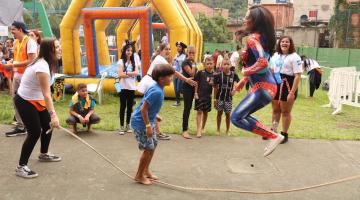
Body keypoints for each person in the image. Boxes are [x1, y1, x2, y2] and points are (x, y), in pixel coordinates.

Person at [231, 5, 284, 157]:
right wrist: (242, 82)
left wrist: (245, 71)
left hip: (262, 88)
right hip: (267, 86)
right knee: (243, 115)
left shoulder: (253, 39)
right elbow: (261, 64)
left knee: (236, 118)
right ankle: (272, 134)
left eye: (247, 17)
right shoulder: (262, 38)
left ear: (255, 21)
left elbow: (262, 63)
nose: (244, 20)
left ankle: (274, 136)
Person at [12, 38, 61, 178]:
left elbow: (45, 93)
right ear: (49, 50)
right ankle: (21, 167)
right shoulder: (42, 66)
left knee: (47, 126)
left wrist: (51, 116)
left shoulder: (49, 63)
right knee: (34, 132)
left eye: (59, 46)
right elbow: (47, 94)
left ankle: (44, 154)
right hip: (25, 101)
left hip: (37, 100)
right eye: (56, 47)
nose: (60, 48)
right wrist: (53, 114)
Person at [137, 43, 196, 140]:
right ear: (160, 50)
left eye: (169, 49)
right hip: (150, 82)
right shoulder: (160, 59)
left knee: (150, 107)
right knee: (150, 107)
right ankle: (154, 131)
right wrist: (186, 79)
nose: (168, 51)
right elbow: (173, 71)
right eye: (166, 49)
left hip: (152, 82)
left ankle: (155, 131)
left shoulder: (160, 59)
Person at [131, 63, 175, 185]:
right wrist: (148, 126)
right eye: (169, 76)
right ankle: (139, 175)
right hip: (141, 123)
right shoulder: (157, 91)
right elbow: (143, 109)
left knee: (153, 145)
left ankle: (146, 170)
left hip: (147, 121)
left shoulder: (158, 88)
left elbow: (146, 105)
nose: (171, 78)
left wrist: (155, 115)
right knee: (148, 149)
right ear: (161, 78)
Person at [3, 21, 38, 137]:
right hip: (17, 74)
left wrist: (13, 65)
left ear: (20, 29)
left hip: (27, 75)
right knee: (16, 100)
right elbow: (17, 58)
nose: (11, 31)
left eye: (13, 29)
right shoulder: (16, 42)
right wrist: (11, 62)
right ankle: (20, 125)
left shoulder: (30, 42)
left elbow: (32, 60)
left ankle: (31, 125)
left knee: (26, 101)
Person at [269, 36, 303, 144]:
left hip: (288, 84)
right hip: (276, 83)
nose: (284, 43)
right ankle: (273, 132)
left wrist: (292, 92)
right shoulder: (275, 55)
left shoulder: (295, 57)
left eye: (287, 42)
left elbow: (297, 76)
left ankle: (284, 135)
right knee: (275, 110)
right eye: (282, 42)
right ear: (279, 44)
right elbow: (271, 69)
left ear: (290, 44)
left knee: (285, 111)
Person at [117, 41, 139, 134]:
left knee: (130, 107)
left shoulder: (134, 62)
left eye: (131, 50)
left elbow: (137, 73)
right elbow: (120, 74)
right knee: (123, 107)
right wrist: (130, 74)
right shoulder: (120, 61)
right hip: (122, 87)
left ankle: (128, 125)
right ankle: (121, 126)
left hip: (131, 88)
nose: (129, 52)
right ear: (124, 51)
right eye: (127, 50)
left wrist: (126, 73)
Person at [213, 58, 239, 135]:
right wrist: (215, 99)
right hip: (220, 99)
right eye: (225, 64)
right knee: (219, 113)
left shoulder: (234, 75)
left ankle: (227, 130)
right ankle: (218, 129)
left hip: (229, 99)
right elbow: (215, 87)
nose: (226, 66)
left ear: (230, 65)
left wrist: (234, 90)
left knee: (228, 114)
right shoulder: (218, 75)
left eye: (228, 64)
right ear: (221, 65)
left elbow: (239, 83)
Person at [194, 56, 214, 138]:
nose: (209, 65)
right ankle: (198, 130)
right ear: (204, 65)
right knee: (199, 112)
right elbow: (196, 83)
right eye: (207, 64)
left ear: (213, 64)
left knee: (205, 113)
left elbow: (215, 86)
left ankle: (203, 128)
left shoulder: (214, 75)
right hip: (200, 96)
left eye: (211, 64)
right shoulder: (200, 72)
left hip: (208, 97)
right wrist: (195, 93)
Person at [181, 46, 197, 139]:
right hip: (186, 88)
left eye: (193, 53)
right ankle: (184, 130)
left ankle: (186, 128)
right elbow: (191, 73)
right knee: (187, 108)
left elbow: (195, 76)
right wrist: (194, 64)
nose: (192, 55)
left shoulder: (192, 62)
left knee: (189, 108)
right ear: (187, 53)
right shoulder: (185, 62)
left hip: (192, 88)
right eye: (190, 53)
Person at [172, 41, 187, 106]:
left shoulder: (184, 56)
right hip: (175, 73)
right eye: (177, 46)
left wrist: (180, 74)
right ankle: (177, 101)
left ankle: (188, 94)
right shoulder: (176, 55)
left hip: (180, 74)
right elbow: (174, 64)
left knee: (179, 88)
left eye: (179, 47)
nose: (178, 48)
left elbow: (183, 66)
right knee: (175, 88)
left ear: (182, 48)